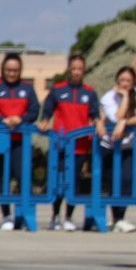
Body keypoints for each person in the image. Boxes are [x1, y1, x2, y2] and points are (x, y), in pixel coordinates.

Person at [38, 53, 100, 231]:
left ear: (84, 70)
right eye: (73, 68)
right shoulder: (58, 89)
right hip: (60, 144)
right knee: (57, 181)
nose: (76, 72)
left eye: (80, 69)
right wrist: (44, 120)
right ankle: (55, 216)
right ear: (69, 69)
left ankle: (69, 217)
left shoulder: (89, 92)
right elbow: (48, 109)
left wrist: (99, 123)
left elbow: (95, 114)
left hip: (80, 147)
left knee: (74, 181)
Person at [0, 51, 39, 230]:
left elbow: (34, 111)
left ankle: (22, 214)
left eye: (15, 70)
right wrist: (2, 121)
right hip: (0, 141)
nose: (11, 73)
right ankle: (6, 215)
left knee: (22, 176)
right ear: (3, 70)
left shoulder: (27, 89)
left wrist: (21, 119)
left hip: (21, 141)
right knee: (3, 178)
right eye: (8, 70)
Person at [96, 66, 136, 233]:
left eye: (128, 81)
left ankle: (120, 217)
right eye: (122, 80)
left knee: (127, 179)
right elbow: (116, 117)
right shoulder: (109, 97)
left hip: (129, 146)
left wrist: (125, 122)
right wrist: (125, 98)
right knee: (112, 180)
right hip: (110, 145)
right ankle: (114, 218)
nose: (125, 83)